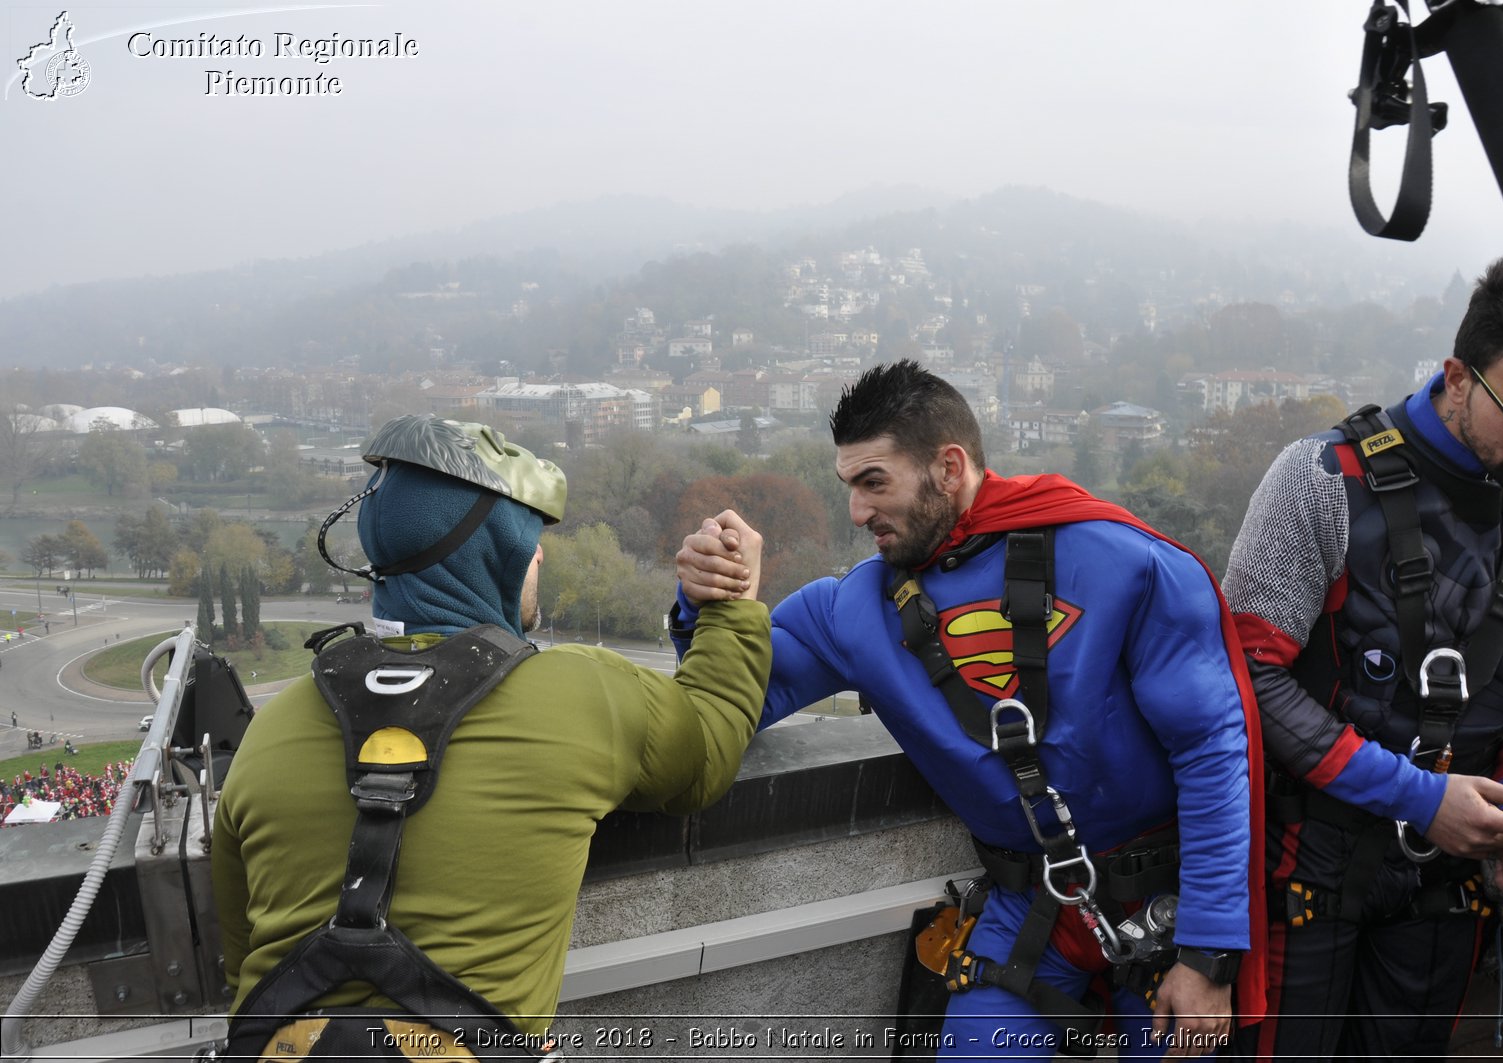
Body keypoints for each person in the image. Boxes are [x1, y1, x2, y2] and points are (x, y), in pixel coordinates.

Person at [676, 359, 1265, 1059]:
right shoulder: (852, 610)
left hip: (1169, 904)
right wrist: (708, 597)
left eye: (874, 483)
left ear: (948, 468)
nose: (858, 513)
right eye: (849, 487)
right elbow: (733, 696)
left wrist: (1209, 956)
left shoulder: (1128, 565)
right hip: (1032, 911)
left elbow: (1213, 752)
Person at [211, 415, 771, 1055]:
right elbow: (708, 746)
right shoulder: (587, 695)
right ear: (503, 557)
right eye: (533, 545)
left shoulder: (275, 724)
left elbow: (239, 956)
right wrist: (731, 601)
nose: (539, 558)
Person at [1222, 255, 1503, 1061]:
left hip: (1456, 882)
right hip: (1307, 865)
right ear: (1456, 377)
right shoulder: (1319, 478)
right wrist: (1419, 796)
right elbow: (1248, 673)